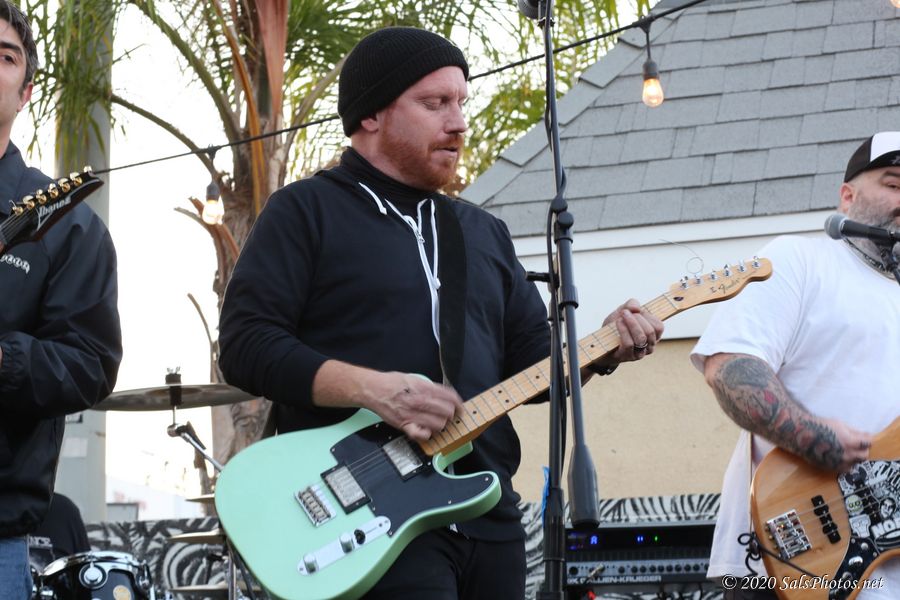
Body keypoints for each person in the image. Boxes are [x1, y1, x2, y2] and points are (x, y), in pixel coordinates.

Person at [218, 26, 664, 600]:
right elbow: (246, 346)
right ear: (371, 114)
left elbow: (534, 366)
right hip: (367, 516)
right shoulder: (305, 210)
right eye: (435, 104)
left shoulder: (481, 231)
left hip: (486, 513)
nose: (458, 122)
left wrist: (604, 348)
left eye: (461, 102)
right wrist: (375, 390)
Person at [691, 131, 900, 599]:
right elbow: (729, 365)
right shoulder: (798, 259)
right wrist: (811, 436)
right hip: (787, 556)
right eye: (894, 183)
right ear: (847, 197)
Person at [0, 2, 122, 598]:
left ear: (26, 93)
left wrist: (4, 360)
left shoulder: (65, 222)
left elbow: (91, 362)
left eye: (4, 56)